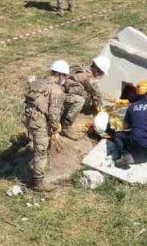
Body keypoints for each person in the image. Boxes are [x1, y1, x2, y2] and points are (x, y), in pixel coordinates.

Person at [24, 60, 68, 192]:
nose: (65, 79)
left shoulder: (40, 82)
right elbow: (54, 115)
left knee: (41, 145)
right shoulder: (57, 90)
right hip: (39, 121)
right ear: (60, 75)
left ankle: (41, 167)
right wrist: (55, 129)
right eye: (65, 76)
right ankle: (38, 182)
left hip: (29, 117)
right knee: (41, 151)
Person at [61, 56, 109, 138]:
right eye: (102, 73)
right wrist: (101, 110)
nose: (101, 75)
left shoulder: (84, 69)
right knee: (80, 101)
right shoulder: (89, 79)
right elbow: (97, 95)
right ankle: (66, 126)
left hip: (62, 93)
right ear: (97, 70)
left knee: (86, 93)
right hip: (61, 98)